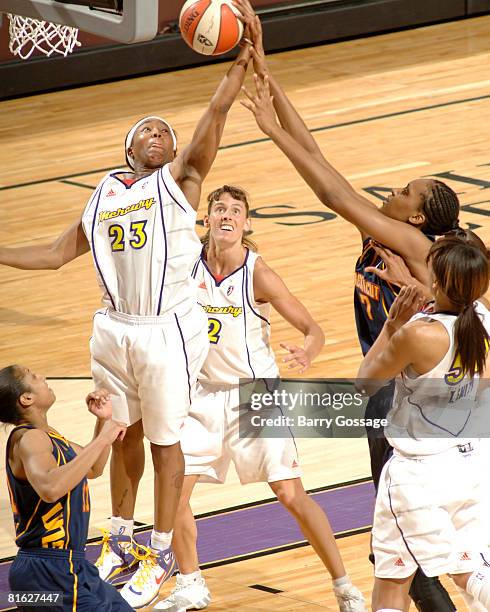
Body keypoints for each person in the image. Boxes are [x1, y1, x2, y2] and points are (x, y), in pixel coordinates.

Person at [0, 12, 255, 607]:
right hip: (112, 327)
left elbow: (211, 122)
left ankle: (162, 552)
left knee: (167, 442)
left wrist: (238, 68)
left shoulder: (178, 182)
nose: (160, 135)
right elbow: (57, 253)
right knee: (121, 434)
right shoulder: (104, 195)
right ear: (128, 148)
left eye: (166, 131)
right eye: (148, 130)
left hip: (166, 328)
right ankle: (120, 538)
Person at [237, 5, 460, 607]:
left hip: (405, 392)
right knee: (401, 537)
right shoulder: (387, 231)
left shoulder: (414, 244)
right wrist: (267, 72)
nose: (391, 190)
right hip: (389, 386)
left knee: (401, 538)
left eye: (404, 192)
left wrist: (268, 130)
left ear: (416, 216)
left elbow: (329, 190)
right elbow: (320, 155)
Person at [155, 184, 366, 612]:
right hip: (199, 396)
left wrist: (308, 349)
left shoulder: (258, 273)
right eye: (219, 209)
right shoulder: (183, 267)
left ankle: (345, 586)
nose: (227, 215)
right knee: (173, 494)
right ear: (208, 220)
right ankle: (191, 582)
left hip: (255, 396)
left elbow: (314, 329)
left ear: (246, 223)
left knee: (290, 495)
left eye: (236, 210)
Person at [357, 237, 490, 611]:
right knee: (471, 569)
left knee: (393, 579)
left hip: (420, 474)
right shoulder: (483, 321)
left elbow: (365, 382)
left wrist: (392, 325)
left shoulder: (418, 333)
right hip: (473, 466)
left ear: (439, 280)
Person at [1, 365, 129, 611]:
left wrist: (103, 422)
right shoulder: (29, 438)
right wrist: (105, 438)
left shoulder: (49, 437)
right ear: (26, 399)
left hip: (68, 567)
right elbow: (50, 487)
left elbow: (93, 468)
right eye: (33, 376)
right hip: (47, 572)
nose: (43, 376)